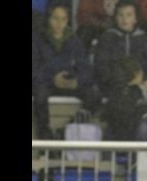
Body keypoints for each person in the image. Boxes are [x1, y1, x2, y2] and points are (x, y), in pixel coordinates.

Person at [32, 1, 101, 140]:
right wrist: (52, 78)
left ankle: (66, 130)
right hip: (47, 83)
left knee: (94, 94)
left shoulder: (74, 40)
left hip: (69, 83)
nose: (59, 23)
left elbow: (85, 68)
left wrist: (76, 81)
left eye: (63, 19)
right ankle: (45, 135)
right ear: (48, 19)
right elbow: (34, 69)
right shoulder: (37, 39)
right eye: (55, 18)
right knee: (39, 95)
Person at [93, 0, 147, 100]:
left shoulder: (146, 40)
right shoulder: (107, 38)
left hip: (141, 89)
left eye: (129, 15)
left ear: (136, 18)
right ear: (115, 17)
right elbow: (101, 67)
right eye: (120, 15)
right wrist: (119, 81)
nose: (124, 19)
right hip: (113, 90)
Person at [102, 57, 147, 141]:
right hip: (130, 145)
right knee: (143, 127)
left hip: (117, 145)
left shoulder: (112, 93)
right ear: (137, 73)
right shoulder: (130, 94)